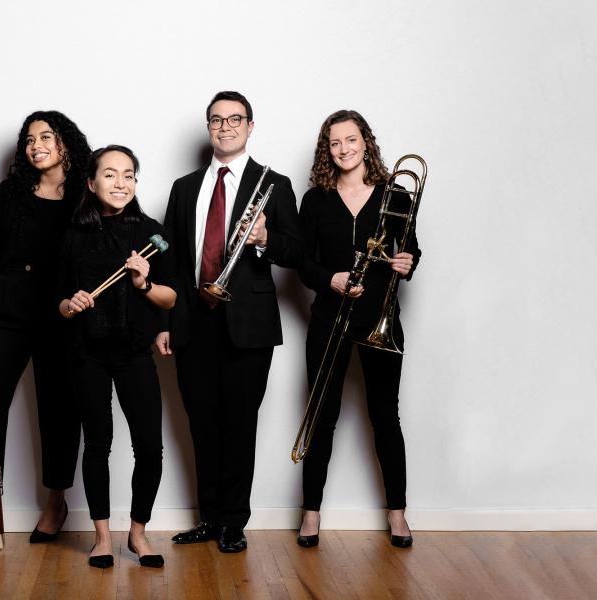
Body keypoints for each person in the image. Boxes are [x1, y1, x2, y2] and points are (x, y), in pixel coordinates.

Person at [158, 91, 301, 553]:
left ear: (250, 126)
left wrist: (264, 239)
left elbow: (296, 251)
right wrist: (164, 322)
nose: (225, 127)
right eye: (217, 120)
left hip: (248, 323)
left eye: (234, 119)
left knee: (240, 423)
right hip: (193, 320)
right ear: (208, 128)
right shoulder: (184, 187)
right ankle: (210, 517)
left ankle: (234, 522)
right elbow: (172, 262)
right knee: (201, 422)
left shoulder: (273, 184)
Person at [0, 110, 90, 549]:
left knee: (61, 408)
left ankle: (56, 504)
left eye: (45, 136)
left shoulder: (84, 196)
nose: (36, 145)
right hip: (10, 308)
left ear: (65, 142)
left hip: (63, 314)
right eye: (29, 139)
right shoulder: (10, 192)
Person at [295, 109, 420, 549]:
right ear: (326, 150)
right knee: (321, 419)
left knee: (385, 417)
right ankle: (310, 514)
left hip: (379, 321)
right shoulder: (315, 200)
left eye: (351, 140)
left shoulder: (397, 197)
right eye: (335, 143)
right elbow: (302, 262)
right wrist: (329, 278)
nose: (344, 149)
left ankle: (398, 515)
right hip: (330, 320)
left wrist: (407, 264)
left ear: (365, 142)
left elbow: (411, 253)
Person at [59, 145, 176, 569]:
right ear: (91, 183)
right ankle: (103, 537)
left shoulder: (152, 233)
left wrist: (145, 283)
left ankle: (138, 533)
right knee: (98, 444)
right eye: (110, 174)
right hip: (87, 352)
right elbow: (58, 303)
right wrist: (70, 304)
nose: (120, 183)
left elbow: (172, 295)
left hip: (134, 352)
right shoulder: (73, 235)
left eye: (129, 174)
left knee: (150, 447)